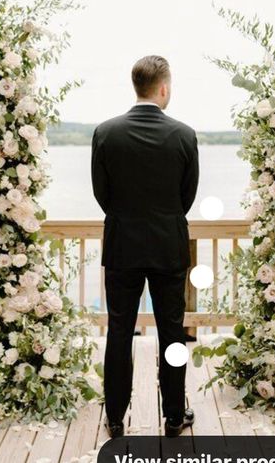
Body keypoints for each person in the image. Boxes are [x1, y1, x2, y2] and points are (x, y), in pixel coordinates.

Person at [91, 55, 199, 438]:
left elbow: (102, 194)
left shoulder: (106, 133)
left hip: (122, 246)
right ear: (164, 88)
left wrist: (128, 218)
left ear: (136, 86)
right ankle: (173, 416)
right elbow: (186, 196)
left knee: (119, 330)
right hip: (169, 245)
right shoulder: (184, 135)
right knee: (173, 332)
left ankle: (116, 417)